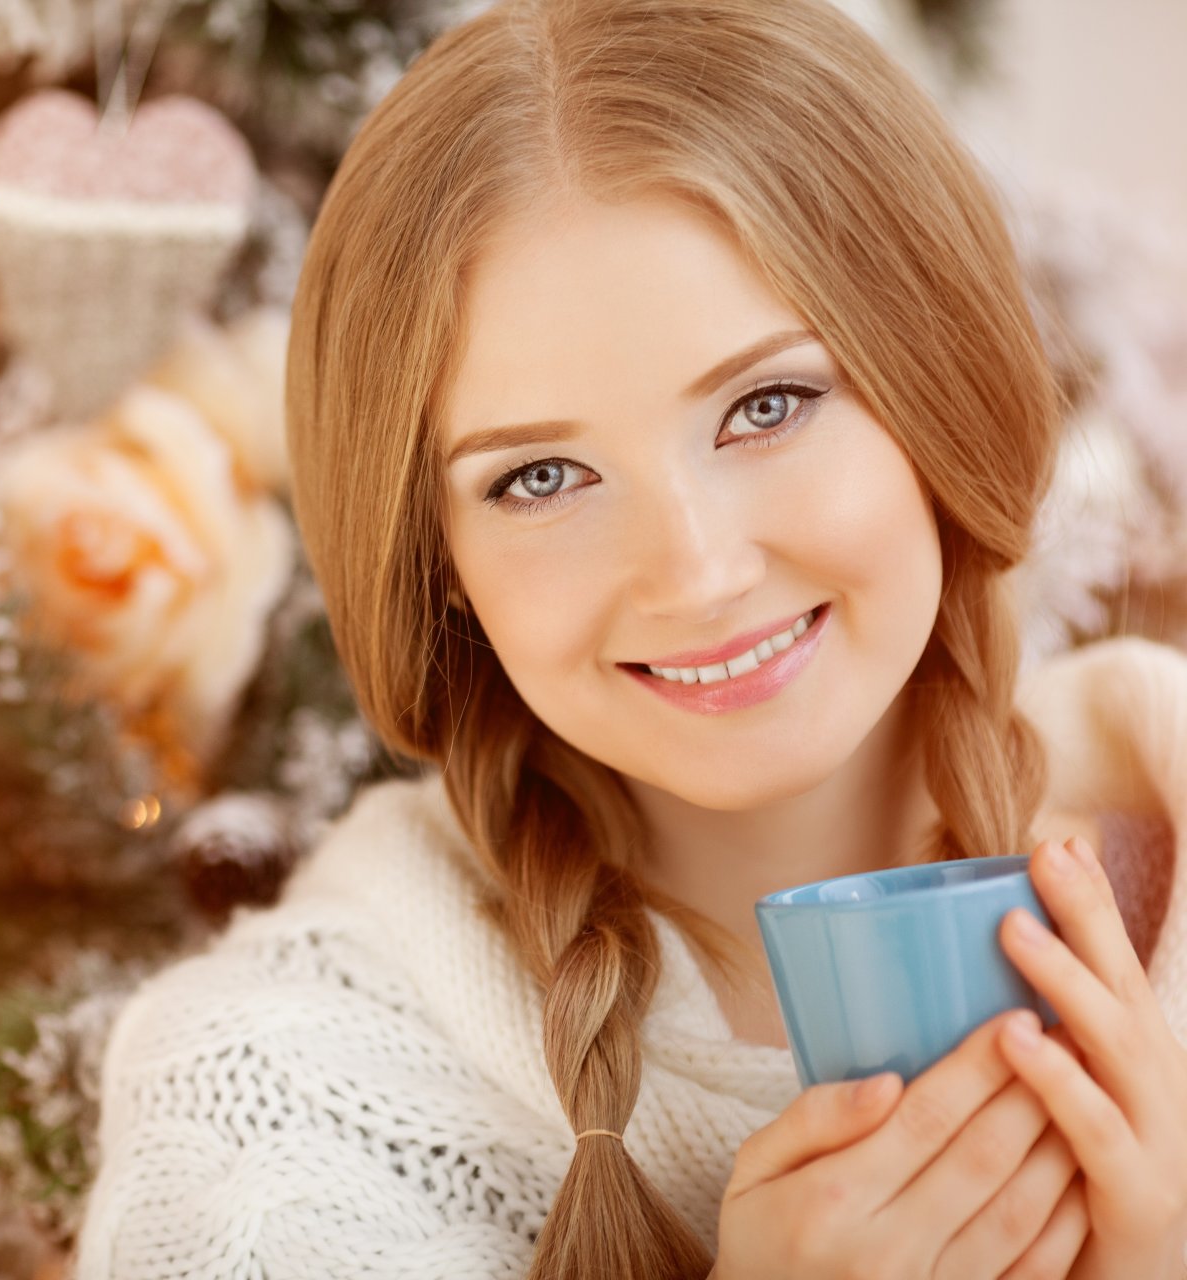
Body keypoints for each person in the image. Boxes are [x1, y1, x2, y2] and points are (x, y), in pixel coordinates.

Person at [73, 1, 1187, 1276]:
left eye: (768, 404)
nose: (699, 575)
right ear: (434, 565)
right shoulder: (268, 1109)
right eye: (540, 478)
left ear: (938, 388)